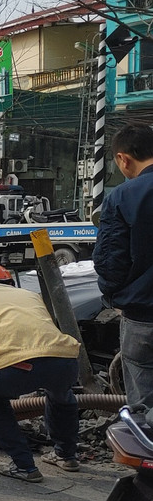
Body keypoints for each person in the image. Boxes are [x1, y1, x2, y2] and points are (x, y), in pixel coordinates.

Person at [0, 263, 82, 480]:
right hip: (64, 358)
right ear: (8, 281)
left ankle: (24, 466)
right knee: (60, 393)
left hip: (14, 366)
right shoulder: (27, 293)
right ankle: (67, 455)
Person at [94, 121, 153, 415]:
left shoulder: (121, 197)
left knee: (143, 409)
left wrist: (114, 298)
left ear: (123, 159)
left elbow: (109, 262)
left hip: (143, 318)